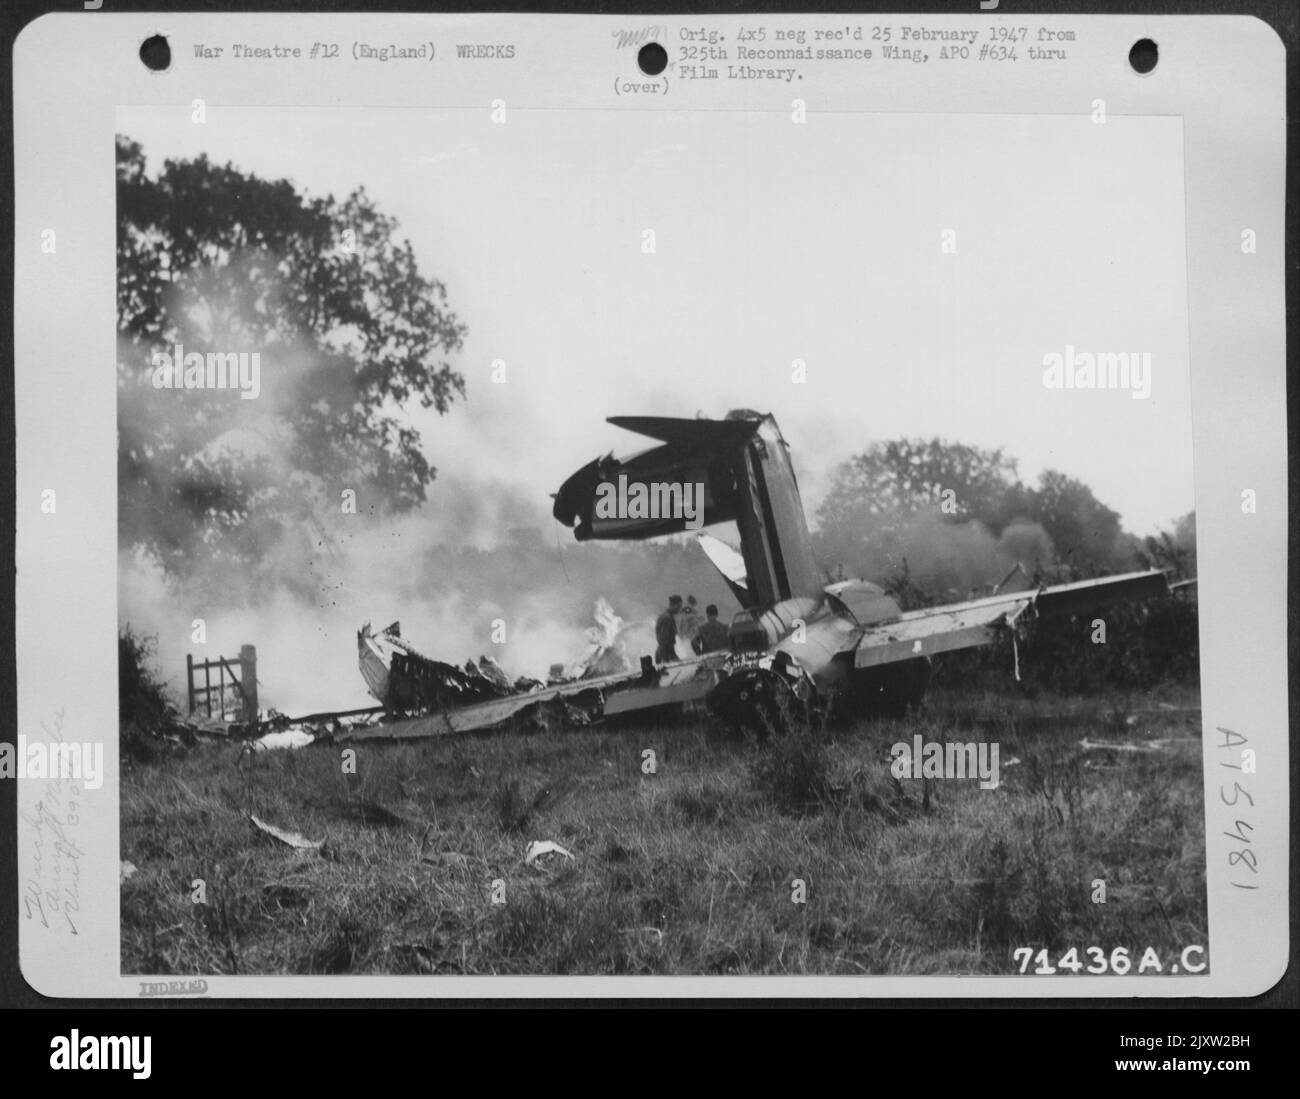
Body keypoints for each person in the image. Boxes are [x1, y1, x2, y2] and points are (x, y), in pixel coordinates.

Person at [655, 595, 682, 664]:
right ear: (674, 605)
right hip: (666, 654)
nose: (680, 609)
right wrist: (666, 661)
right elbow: (664, 641)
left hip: (665, 653)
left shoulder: (665, 616)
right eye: (679, 606)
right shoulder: (667, 619)